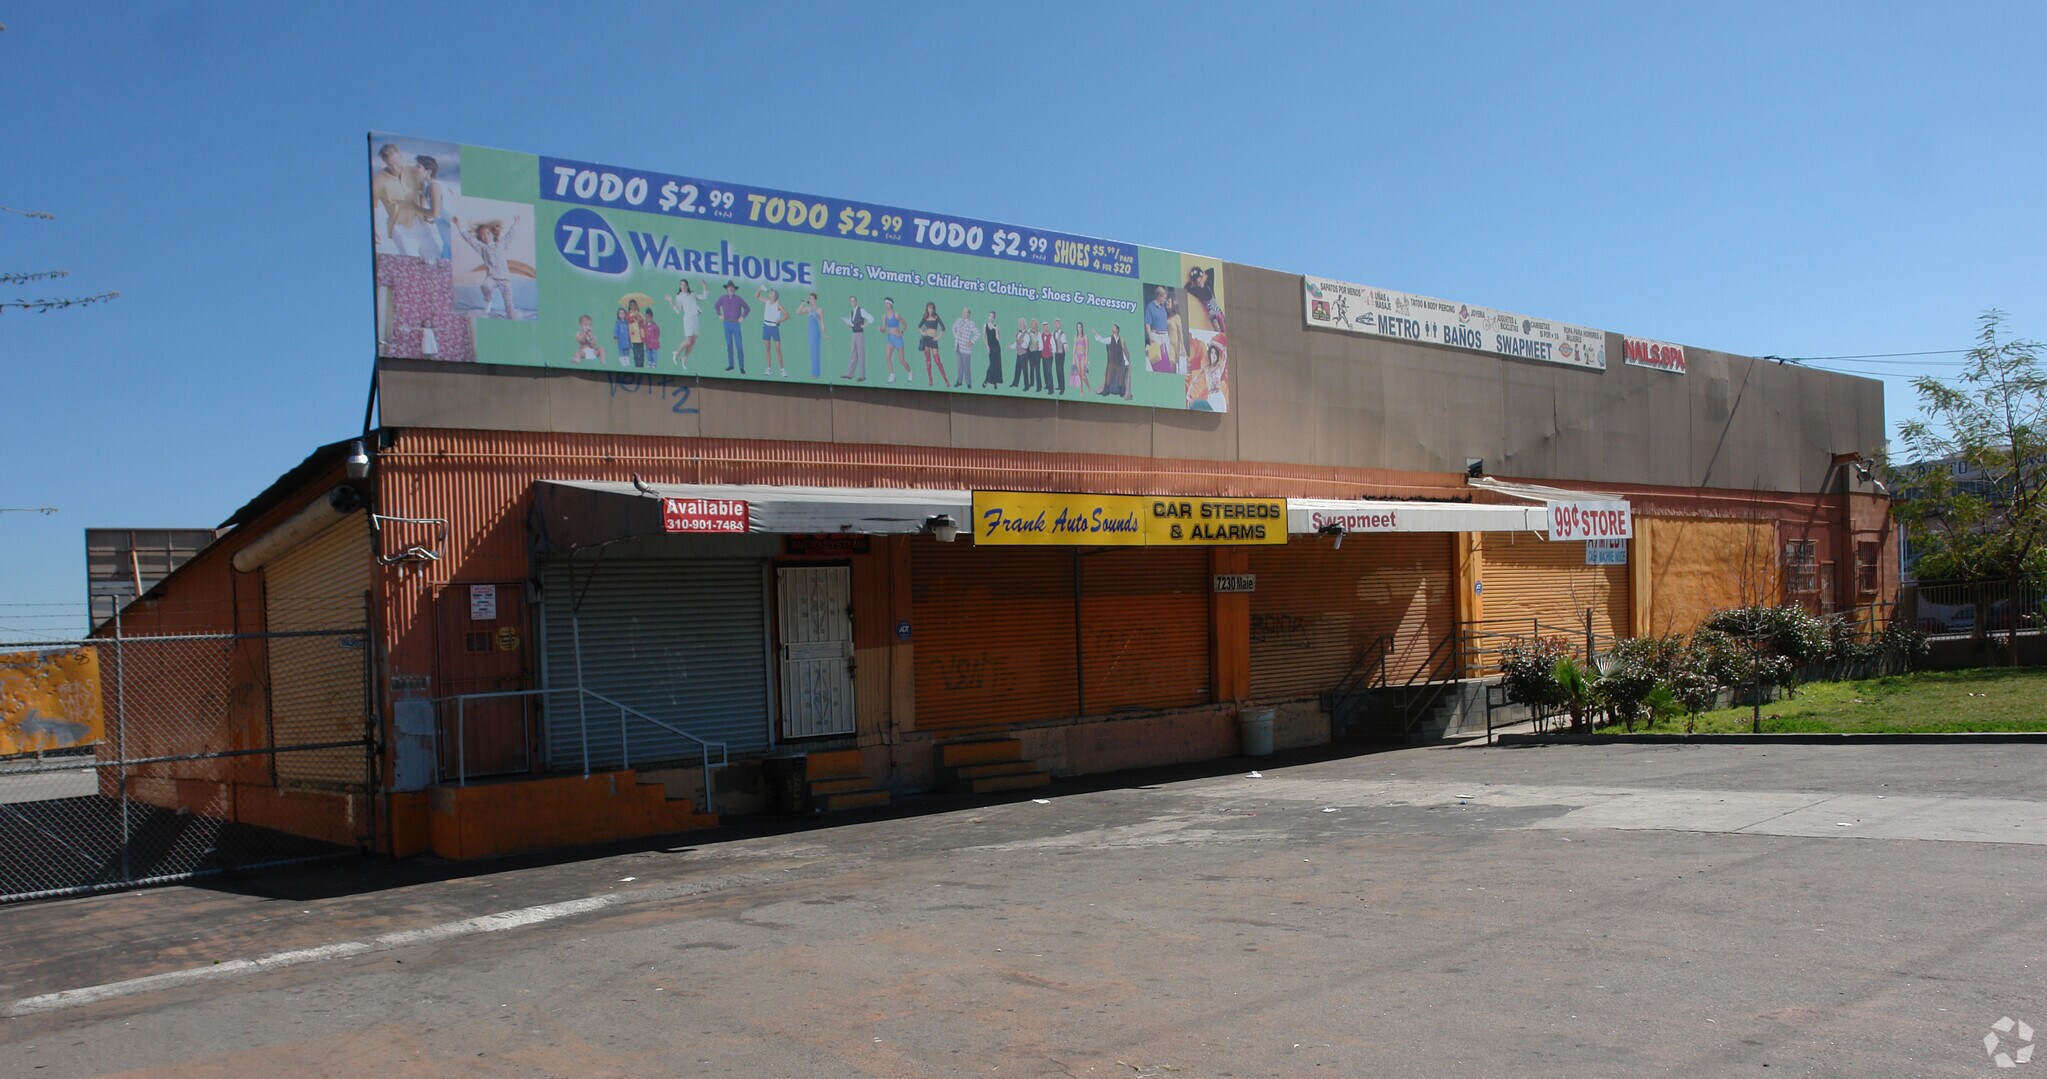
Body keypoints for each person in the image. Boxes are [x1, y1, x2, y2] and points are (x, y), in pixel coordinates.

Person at [452, 213, 521, 320]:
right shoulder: (482, 248)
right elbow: (470, 240)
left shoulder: (502, 244)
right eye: (483, 235)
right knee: (485, 286)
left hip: (505, 279)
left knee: (509, 303)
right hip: (492, 277)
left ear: (493, 234)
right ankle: (488, 301)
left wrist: (516, 223)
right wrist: (458, 225)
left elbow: (510, 235)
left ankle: (512, 319)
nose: (486, 236)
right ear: (481, 238)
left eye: (488, 233)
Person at [414, 154, 449, 261]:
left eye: (418, 166)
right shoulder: (427, 186)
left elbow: (434, 213)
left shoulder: (434, 185)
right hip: (444, 224)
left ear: (428, 171)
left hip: (449, 226)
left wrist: (413, 208)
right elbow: (425, 208)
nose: (415, 169)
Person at [667, 279, 707, 367]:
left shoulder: (692, 294)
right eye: (681, 285)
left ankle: (684, 358)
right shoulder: (679, 296)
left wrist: (704, 286)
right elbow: (678, 310)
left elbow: (704, 297)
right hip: (688, 318)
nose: (683, 286)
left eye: (684, 285)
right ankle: (677, 353)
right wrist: (671, 302)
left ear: (687, 286)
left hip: (695, 317)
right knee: (688, 340)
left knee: (693, 340)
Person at [714, 281, 750, 372]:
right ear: (726, 289)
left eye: (732, 288)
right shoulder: (723, 298)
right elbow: (716, 305)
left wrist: (742, 317)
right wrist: (719, 314)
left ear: (734, 289)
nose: (731, 289)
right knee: (729, 344)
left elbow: (747, 308)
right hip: (726, 323)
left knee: (739, 345)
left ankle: (741, 367)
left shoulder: (738, 299)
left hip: (735, 323)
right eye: (729, 287)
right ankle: (731, 365)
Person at [755, 286, 789, 376]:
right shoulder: (767, 302)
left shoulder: (778, 305)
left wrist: (780, 320)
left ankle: (782, 369)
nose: (770, 293)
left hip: (774, 328)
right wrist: (760, 289)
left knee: (778, 349)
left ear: (776, 296)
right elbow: (757, 296)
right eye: (770, 292)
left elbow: (787, 315)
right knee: (767, 348)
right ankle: (769, 368)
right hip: (766, 326)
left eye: (772, 292)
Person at [1184, 265, 1226, 332]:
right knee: (1218, 330)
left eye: (1200, 280)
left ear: (1202, 278)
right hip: (1212, 314)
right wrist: (1192, 281)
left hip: (1218, 311)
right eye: (1197, 282)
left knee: (1225, 329)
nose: (1200, 283)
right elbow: (1186, 288)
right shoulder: (1197, 291)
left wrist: (1203, 273)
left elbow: (1211, 270)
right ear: (1195, 283)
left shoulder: (1209, 284)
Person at [917, 302, 949, 386]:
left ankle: (945, 379)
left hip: (933, 339)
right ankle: (930, 379)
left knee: (937, 360)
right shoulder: (925, 317)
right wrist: (923, 332)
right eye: (929, 308)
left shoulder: (936, 316)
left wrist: (938, 337)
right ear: (927, 309)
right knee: (928, 360)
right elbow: (919, 326)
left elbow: (943, 328)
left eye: (932, 308)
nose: (930, 309)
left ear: (934, 309)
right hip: (926, 339)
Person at [840, 296, 872, 381]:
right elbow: (851, 322)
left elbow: (871, 318)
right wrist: (849, 325)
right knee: (853, 353)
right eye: (851, 301)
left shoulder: (861, 310)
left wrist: (864, 325)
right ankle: (849, 374)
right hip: (854, 333)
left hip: (859, 334)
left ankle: (862, 376)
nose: (853, 303)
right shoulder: (851, 312)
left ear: (856, 301)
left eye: (854, 301)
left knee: (861, 354)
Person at [795, 292, 827, 378]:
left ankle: (816, 373)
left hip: (816, 332)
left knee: (815, 352)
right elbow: (797, 312)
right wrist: (803, 303)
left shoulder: (819, 310)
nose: (811, 300)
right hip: (810, 332)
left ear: (815, 299)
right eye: (809, 298)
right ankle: (813, 372)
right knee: (812, 352)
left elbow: (822, 322)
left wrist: (824, 333)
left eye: (812, 298)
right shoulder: (808, 309)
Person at [1097, 324, 1131, 399]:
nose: (1113, 329)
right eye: (1112, 328)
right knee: (1109, 376)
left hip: (1119, 362)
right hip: (1111, 362)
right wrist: (1096, 334)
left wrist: (1126, 361)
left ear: (1117, 330)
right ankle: (1106, 391)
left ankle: (1121, 392)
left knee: (1120, 377)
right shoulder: (1110, 338)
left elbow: (1124, 351)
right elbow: (1102, 340)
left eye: (1114, 328)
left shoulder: (1121, 339)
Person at [1144, 285, 1173, 373]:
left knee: (1166, 357)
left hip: (1165, 335)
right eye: (1164, 298)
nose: (1165, 300)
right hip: (1155, 335)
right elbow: (1147, 323)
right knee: (1157, 358)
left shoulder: (1164, 306)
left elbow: (1169, 316)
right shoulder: (1150, 306)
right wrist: (1150, 336)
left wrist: (1169, 308)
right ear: (1158, 296)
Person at [880, 298, 909, 383]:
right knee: (887, 356)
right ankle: (892, 375)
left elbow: (905, 324)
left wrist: (901, 332)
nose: (886, 305)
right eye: (885, 303)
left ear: (891, 305)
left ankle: (910, 372)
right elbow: (884, 329)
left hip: (898, 338)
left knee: (901, 360)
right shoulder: (884, 316)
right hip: (890, 338)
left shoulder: (896, 315)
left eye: (887, 303)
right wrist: (881, 329)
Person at [951, 306, 977, 387]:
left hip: (965, 348)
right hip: (958, 346)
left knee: (966, 367)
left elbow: (977, 334)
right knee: (959, 366)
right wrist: (956, 335)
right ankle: (959, 381)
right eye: (963, 311)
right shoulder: (958, 320)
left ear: (968, 314)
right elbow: (953, 328)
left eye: (965, 312)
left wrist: (971, 342)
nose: (963, 313)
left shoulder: (971, 323)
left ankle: (968, 383)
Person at [1013, 318, 1038, 392]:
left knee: (1025, 370)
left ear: (1024, 324)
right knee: (1017, 369)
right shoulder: (1018, 333)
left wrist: (1020, 343)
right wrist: (1011, 346)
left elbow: (1026, 345)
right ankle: (1015, 383)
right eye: (1019, 323)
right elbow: (1016, 343)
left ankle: (1026, 386)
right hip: (1019, 353)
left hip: (1024, 354)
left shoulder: (1026, 334)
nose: (1020, 324)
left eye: (1021, 323)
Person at [981, 309, 1004, 387]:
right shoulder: (985, 325)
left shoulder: (996, 326)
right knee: (992, 364)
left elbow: (998, 339)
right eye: (989, 316)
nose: (990, 318)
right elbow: (984, 337)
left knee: (996, 365)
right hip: (990, 347)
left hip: (996, 348)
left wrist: (996, 330)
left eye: (992, 316)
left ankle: (994, 382)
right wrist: (986, 346)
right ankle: (986, 380)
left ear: (994, 318)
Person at [1070, 320, 1092, 392]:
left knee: (1083, 375)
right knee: (1079, 375)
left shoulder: (1085, 336)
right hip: (1077, 356)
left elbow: (1087, 348)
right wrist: (1073, 359)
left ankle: (1089, 388)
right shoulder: (1075, 337)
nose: (1079, 328)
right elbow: (1074, 348)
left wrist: (1086, 358)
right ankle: (1081, 391)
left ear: (1082, 328)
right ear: (1076, 328)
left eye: (1080, 327)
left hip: (1083, 356)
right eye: (1078, 327)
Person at [1038, 320, 1058, 394]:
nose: (1045, 328)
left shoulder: (1051, 337)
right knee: (1045, 371)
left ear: (1048, 328)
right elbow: (1040, 346)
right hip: (1043, 356)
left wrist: (1051, 350)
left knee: (1049, 372)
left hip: (1049, 357)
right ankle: (1047, 385)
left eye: (1046, 327)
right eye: (1044, 327)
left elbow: (1054, 349)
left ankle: (1051, 389)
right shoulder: (1041, 336)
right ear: (1042, 328)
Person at [625, 298, 646, 367]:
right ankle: (637, 365)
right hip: (634, 337)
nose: (633, 306)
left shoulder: (640, 313)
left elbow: (643, 322)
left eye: (634, 305)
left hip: (640, 336)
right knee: (636, 352)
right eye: (631, 305)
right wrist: (635, 316)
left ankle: (641, 364)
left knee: (642, 352)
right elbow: (628, 320)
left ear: (636, 305)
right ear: (629, 306)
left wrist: (639, 317)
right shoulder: (628, 314)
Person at [1051, 319, 1069, 396]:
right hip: (1056, 353)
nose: (1056, 325)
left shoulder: (1062, 334)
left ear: (1060, 325)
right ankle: (1059, 385)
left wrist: (1066, 347)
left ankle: (1062, 388)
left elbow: (1064, 343)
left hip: (1061, 354)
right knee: (1057, 370)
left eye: (1057, 324)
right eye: (1055, 324)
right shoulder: (1053, 332)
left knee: (1060, 370)